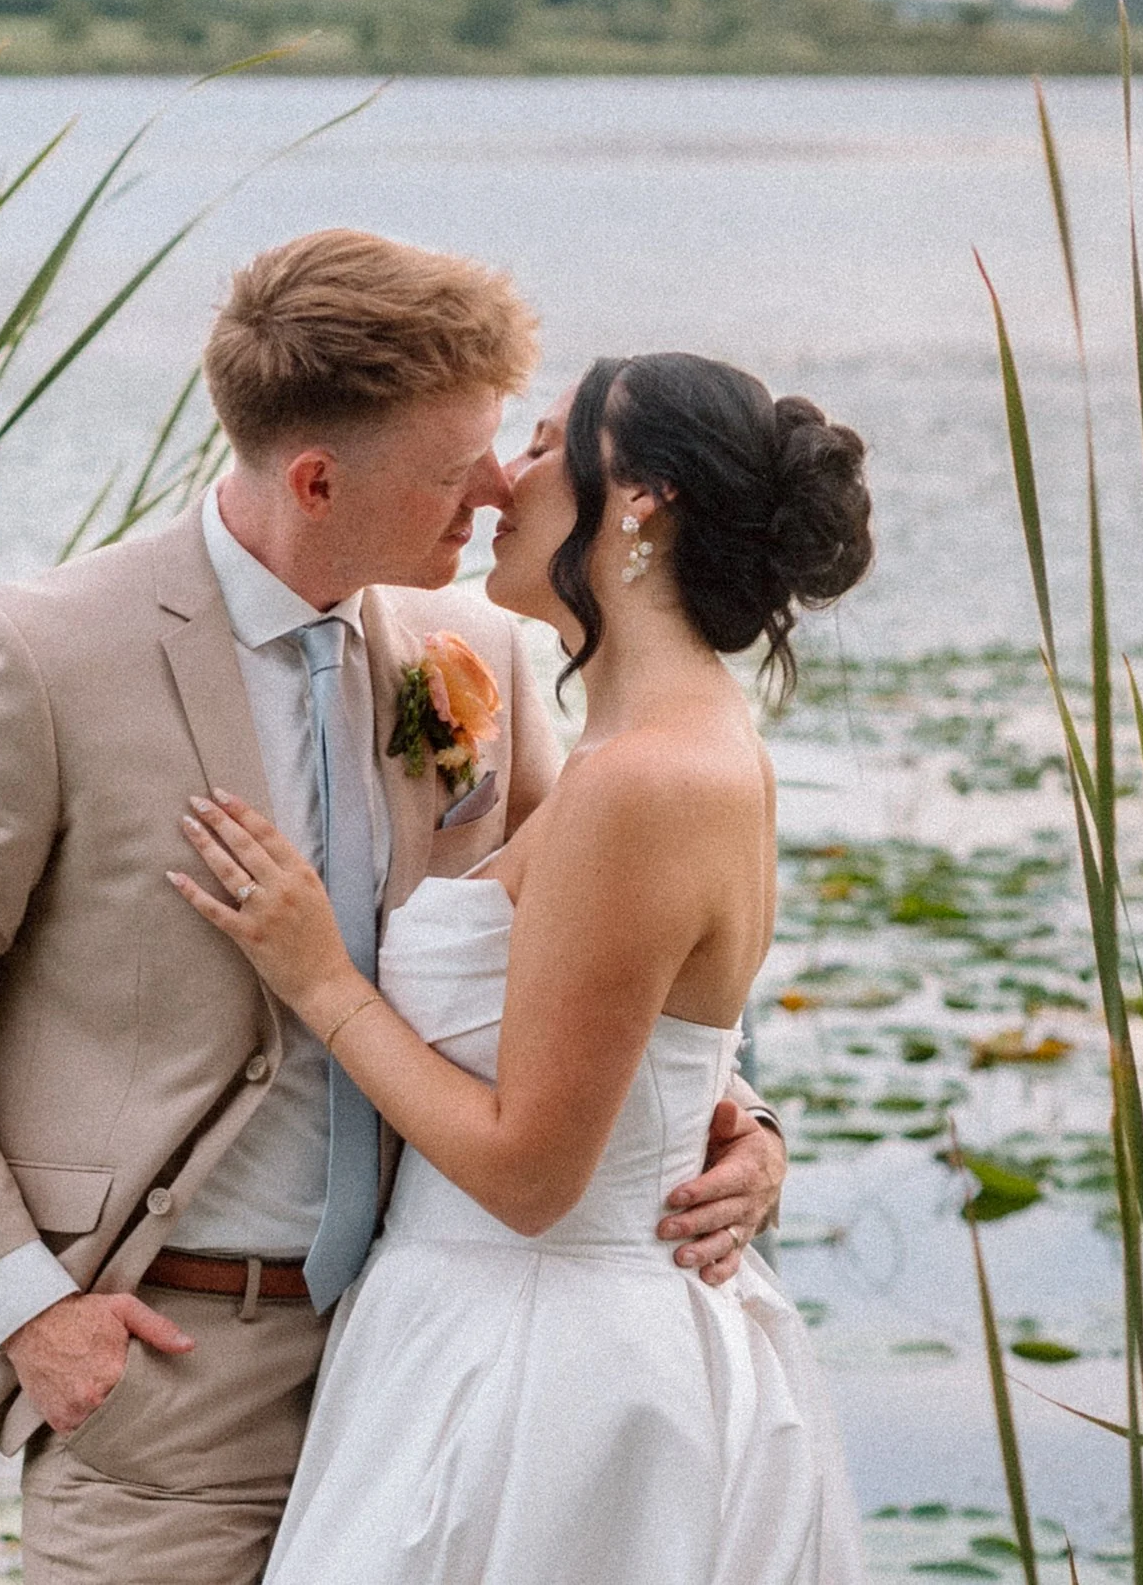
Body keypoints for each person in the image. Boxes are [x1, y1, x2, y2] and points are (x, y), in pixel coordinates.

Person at [0, 235, 791, 1583]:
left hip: (443, 1367)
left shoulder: (482, 647)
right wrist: (23, 1304)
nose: (499, 488)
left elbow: (605, 964)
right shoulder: (39, 655)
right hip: (169, 1384)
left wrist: (745, 1131)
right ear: (319, 478)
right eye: (457, 471)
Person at [171, 352, 872, 1584]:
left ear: (639, 499)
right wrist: (746, 1121)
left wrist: (321, 975)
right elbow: (654, 1049)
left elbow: (530, 1172)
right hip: (528, 1321)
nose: (504, 477)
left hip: (542, 1367)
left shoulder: (643, 781)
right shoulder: (680, 740)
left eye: (547, 445)